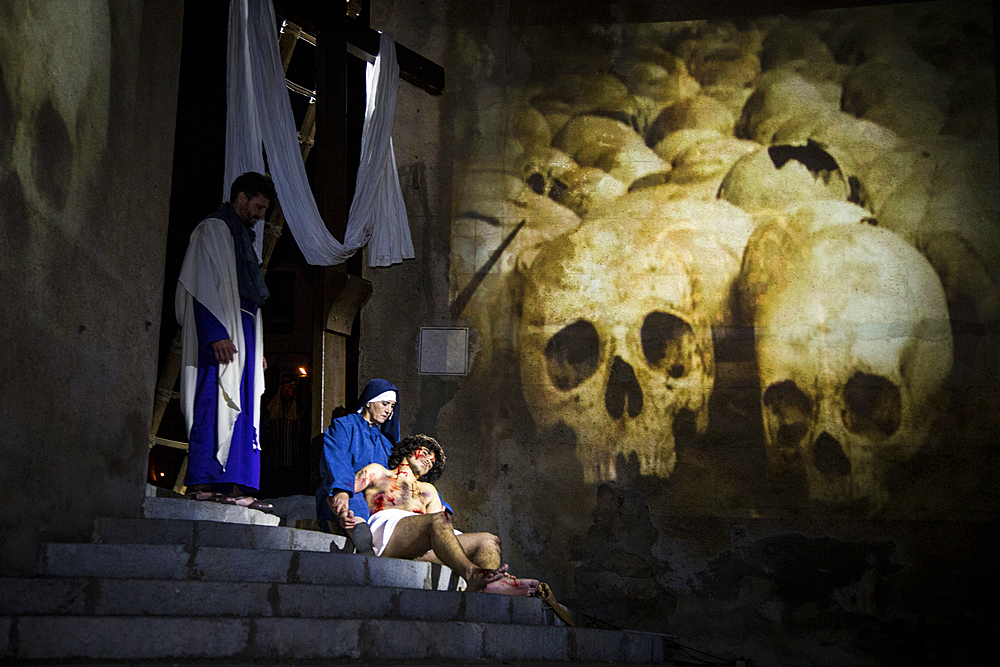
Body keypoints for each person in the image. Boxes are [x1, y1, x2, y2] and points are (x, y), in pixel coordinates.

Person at [175, 172, 275, 510]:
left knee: (243, 407)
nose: (261, 215)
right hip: (222, 331)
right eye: (259, 207)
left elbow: (251, 297)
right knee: (215, 400)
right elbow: (202, 282)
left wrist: (257, 348)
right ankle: (204, 482)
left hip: (244, 333)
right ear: (242, 198)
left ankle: (235, 486)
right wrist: (215, 332)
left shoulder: (242, 237)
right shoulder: (215, 229)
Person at [353, 434, 540, 596]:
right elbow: (343, 492)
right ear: (407, 451)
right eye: (425, 453)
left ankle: (491, 583)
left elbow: (441, 528)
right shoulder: (379, 472)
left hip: (421, 545)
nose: (429, 460)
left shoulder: (428, 490)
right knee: (437, 521)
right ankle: (473, 574)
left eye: (432, 462)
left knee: (488, 541)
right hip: (389, 533)